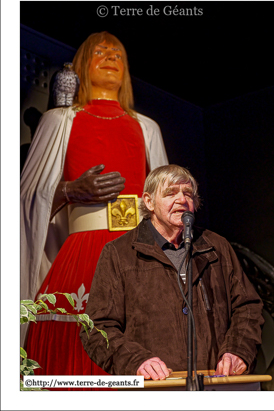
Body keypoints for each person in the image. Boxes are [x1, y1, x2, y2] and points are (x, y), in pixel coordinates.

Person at [20, 32, 168, 382]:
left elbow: (167, 201)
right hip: (83, 252)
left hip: (139, 253)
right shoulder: (60, 121)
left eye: (117, 53)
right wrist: (70, 190)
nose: (110, 56)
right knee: (76, 353)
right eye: (99, 51)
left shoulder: (147, 128)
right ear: (83, 65)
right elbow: (25, 199)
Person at [80, 164, 264, 379]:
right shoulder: (119, 253)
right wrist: (135, 361)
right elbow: (96, 328)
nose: (182, 200)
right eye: (170, 193)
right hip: (155, 389)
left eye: (188, 194)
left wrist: (238, 351)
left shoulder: (216, 246)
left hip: (216, 384)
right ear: (149, 202)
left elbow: (248, 307)